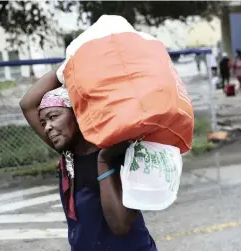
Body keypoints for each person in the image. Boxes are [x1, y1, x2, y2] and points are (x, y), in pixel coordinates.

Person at [19, 68, 158, 251]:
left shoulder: (116, 154)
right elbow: (27, 104)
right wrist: (68, 66)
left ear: (77, 115)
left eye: (53, 117)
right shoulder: (69, 154)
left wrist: (103, 162)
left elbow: (120, 225)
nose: (47, 128)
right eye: (44, 123)